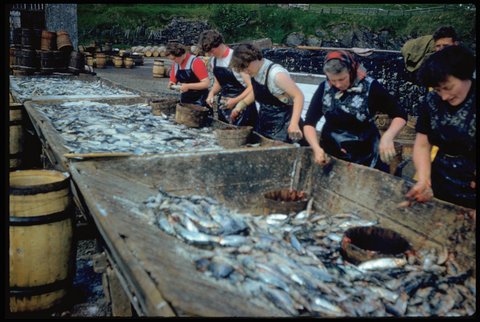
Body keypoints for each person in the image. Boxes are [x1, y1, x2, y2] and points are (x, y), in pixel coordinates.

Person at [303, 50, 407, 172]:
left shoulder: (370, 87)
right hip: (331, 151)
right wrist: (316, 148)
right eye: (333, 80)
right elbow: (309, 123)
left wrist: (388, 136)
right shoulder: (324, 88)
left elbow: (400, 115)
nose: (337, 85)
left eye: (342, 79)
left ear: (351, 71)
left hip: (364, 153)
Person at [406, 45, 475, 209]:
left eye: (448, 87)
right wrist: (423, 179)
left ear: (466, 76)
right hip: (442, 177)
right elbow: (422, 144)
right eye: (438, 90)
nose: (444, 96)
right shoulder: (431, 101)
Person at [229, 43, 304, 143]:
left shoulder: (276, 74)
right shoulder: (254, 71)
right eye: (243, 69)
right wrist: (241, 105)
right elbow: (258, 92)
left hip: (285, 123)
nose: (246, 71)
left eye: (246, 67)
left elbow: (298, 96)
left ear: (255, 58)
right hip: (265, 121)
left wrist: (294, 123)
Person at [198, 30, 257, 127]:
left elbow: (252, 86)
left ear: (220, 44)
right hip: (225, 104)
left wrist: (235, 101)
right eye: (208, 53)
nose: (210, 54)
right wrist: (211, 93)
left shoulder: (236, 58)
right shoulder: (214, 61)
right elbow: (218, 83)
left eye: (212, 51)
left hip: (243, 105)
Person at [165, 42, 210, 108]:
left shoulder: (196, 62)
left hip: (200, 99)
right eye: (171, 59)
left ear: (182, 54)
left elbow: (206, 84)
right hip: (185, 99)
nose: (173, 61)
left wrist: (188, 86)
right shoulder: (176, 64)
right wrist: (172, 84)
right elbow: (173, 80)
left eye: (174, 58)